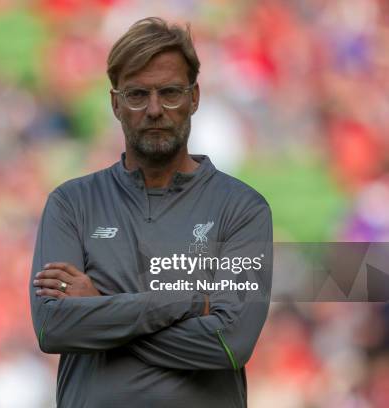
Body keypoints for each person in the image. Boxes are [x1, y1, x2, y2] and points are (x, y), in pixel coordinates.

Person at [29, 17, 273, 408]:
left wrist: (101, 307)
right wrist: (189, 302)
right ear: (115, 103)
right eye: (138, 94)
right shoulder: (71, 204)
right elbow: (53, 327)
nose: (155, 109)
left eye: (170, 92)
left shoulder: (241, 208)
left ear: (194, 97)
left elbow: (229, 344)